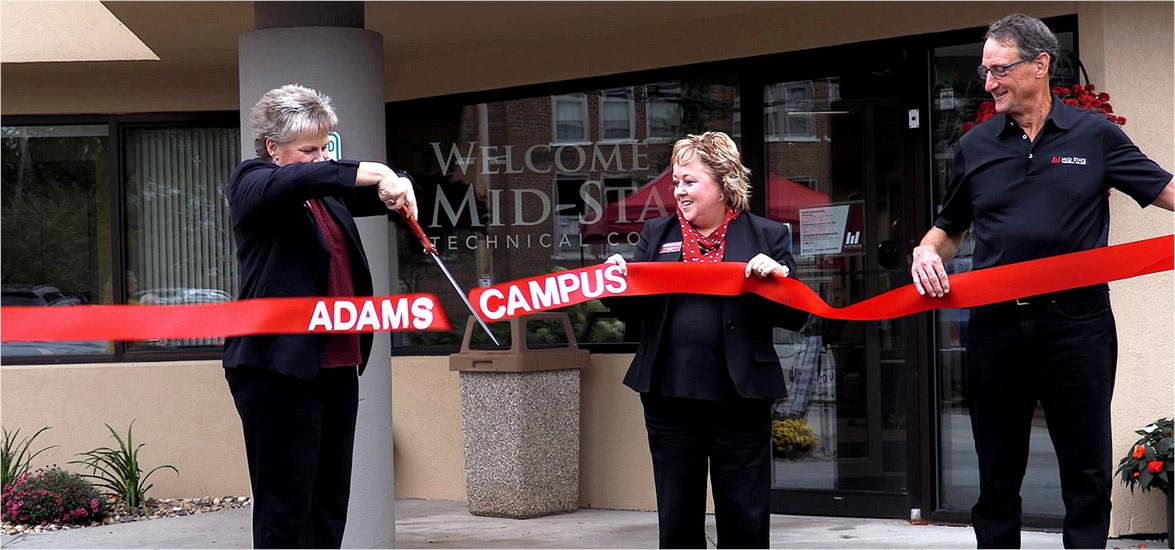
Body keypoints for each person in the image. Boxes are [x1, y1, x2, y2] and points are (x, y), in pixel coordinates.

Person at [910, 14, 1174, 549]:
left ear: (1040, 65)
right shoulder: (976, 145)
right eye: (984, 73)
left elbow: (1166, 190)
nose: (989, 83)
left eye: (999, 69)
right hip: (996, 329)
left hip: (1077, 326)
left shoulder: (1095, 134)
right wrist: (924, 251)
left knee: (1086, 470)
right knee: (997, 472)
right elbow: (950, 226)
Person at [222, 84, 418, 549]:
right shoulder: (253, 182)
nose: (318, 159)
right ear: (273, 147)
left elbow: (353, 189)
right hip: (276, 368)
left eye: (324, 148)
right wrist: (380, 170)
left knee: (329, 502)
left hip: (334, 366)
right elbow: (309, 179)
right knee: (285, 507)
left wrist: (398, 185)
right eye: (307, 149)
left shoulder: (325, 196)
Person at [605, 131, 808, 548]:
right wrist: (614, 284)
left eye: (689, 181)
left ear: (723, 182)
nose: (678, 191)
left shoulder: (768, 236)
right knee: (677, 518)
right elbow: (633, 312)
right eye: (676, 182)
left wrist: (777, 281)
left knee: (745, 517)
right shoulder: (656, 235)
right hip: (669, 393)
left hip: (741, 395)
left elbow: (795, 316)